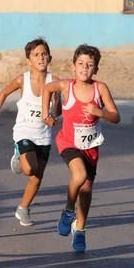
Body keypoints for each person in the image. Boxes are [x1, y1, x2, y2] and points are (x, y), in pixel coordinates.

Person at [41, 44, 120, 253]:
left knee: (86, 190)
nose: (85, 68)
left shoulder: (100, 88)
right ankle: (68, 210)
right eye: (81, 64)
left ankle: (81, 229)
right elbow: (47, 89)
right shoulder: (67, 86)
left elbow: (116, 116)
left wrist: (99, 111)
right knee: (79, 174)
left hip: (91, 146)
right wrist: (46, 113)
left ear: (96, 68)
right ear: (73, 66)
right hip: (68, 142)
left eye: (90, 65)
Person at [0, 37, 58, 227]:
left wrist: (54, 114)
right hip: (24, 131)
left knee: (36, 178)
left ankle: (23, 208)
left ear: (49, 57)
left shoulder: (55, 81)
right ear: (29, 60)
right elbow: (3, 93)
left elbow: (58, 110)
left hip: (44, 135)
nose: (41, 57)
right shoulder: (23, 80)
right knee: (28, 169)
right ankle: (19, 155)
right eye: (36, 55)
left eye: (44, 54)